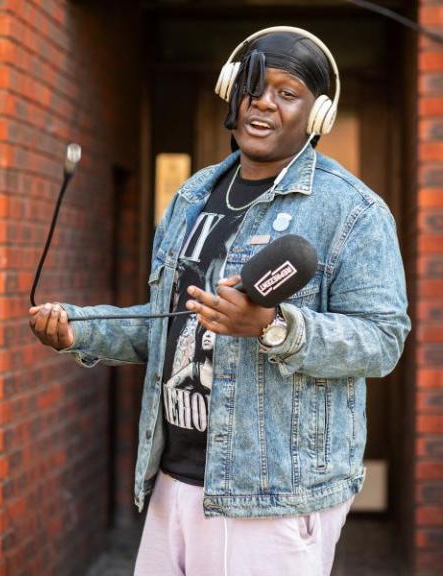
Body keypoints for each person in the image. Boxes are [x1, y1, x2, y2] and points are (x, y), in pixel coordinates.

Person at [29, 27, 409, 575]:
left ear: (319, 115)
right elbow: (170, 326)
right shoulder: (192, 196)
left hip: (272, 495)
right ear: (231, 89)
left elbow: (382, 340)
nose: (263, 102)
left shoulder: (352, 211)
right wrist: (78, 331)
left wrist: (274, 326)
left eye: (287, 92)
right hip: (174, 479)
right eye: (254, 85)